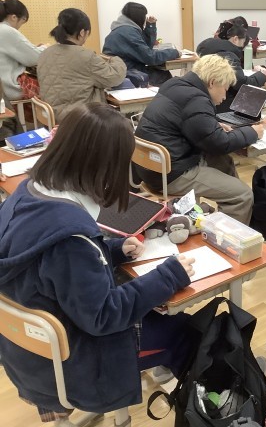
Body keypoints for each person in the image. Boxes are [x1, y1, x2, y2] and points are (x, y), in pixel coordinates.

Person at [0, 104, 197, 418]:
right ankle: (215, 403)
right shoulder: (71, 239)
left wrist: (112, 251)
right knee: (188, 331)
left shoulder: (27, 192)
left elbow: (50, 270)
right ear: (105, 165)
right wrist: (169, 276)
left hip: (29, 353)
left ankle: (172, 367)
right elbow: (105, 317)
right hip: (77, 364)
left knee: (158, 309)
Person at [135, 55, 266, 224]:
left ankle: (227, 214)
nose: (225, 96)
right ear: (212, 82)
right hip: (171, 175)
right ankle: (225, 236)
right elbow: (220, 143)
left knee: (223, 162)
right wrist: (253, 132)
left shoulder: (174, 85)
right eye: (225, 88)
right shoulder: (196, 100)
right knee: (242, 195)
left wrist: (213, 124)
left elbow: (188, 121)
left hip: (151, 167)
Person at [37, 8, 126, 121]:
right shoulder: (85, 56)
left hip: (52, 116)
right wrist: (115, 59)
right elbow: (115, 77)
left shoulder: (45, 53)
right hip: (79, 118)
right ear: (82, 32)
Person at [102, 2, 180, 86]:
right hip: (130, 74)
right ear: (139, 17)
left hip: (123, 71)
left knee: (160, 72)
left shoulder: (122, 29)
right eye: (144, 16)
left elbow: (146, 46)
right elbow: (150, 57)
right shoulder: (128, 33)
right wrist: (175, 52)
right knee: (164, 75)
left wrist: (150, 26)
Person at [197, 23, 266, 114]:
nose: (241, 49)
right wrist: (262, 75)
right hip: (224, 106)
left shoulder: (209, 49)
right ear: (235, 39)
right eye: (242, 44)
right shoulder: (228, 55)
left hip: (207, 99)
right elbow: (242, 83)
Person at [0, 0, 44, 101]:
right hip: (11, 87)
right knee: (51, 89)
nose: (19, 27)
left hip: (3, 86)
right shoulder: (7, 31)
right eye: (21, 22)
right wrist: (45, 47)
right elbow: (34, 58)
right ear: (14, 17)